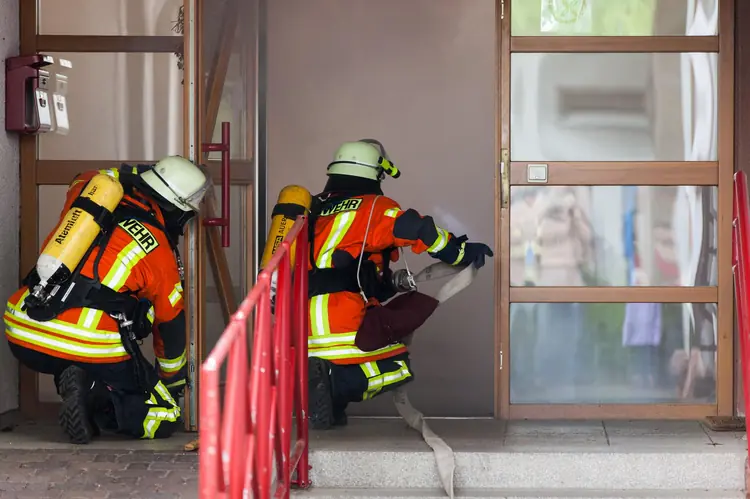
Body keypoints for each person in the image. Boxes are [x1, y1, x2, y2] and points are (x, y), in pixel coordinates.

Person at [3, 156, 210, 443]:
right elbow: (170, 326)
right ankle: (94, 397)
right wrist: (171, 382)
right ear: (177, 211)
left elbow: (87, 173)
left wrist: (134, 173)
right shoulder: (160, 251)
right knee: (164, 417)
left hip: (24, 329)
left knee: (75, 346)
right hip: (89, 343)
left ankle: (79, 376)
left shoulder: (89, 194)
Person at [306, 139, 493, 430]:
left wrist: (389, 284)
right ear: (376, 173)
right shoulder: (373, 207)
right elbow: (418, 229)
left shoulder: (313, 210)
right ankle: (335, 385)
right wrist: (460, 253)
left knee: (334, 362)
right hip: (341, 320)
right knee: (396, 365)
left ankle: (327, 398)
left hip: (299, 325)